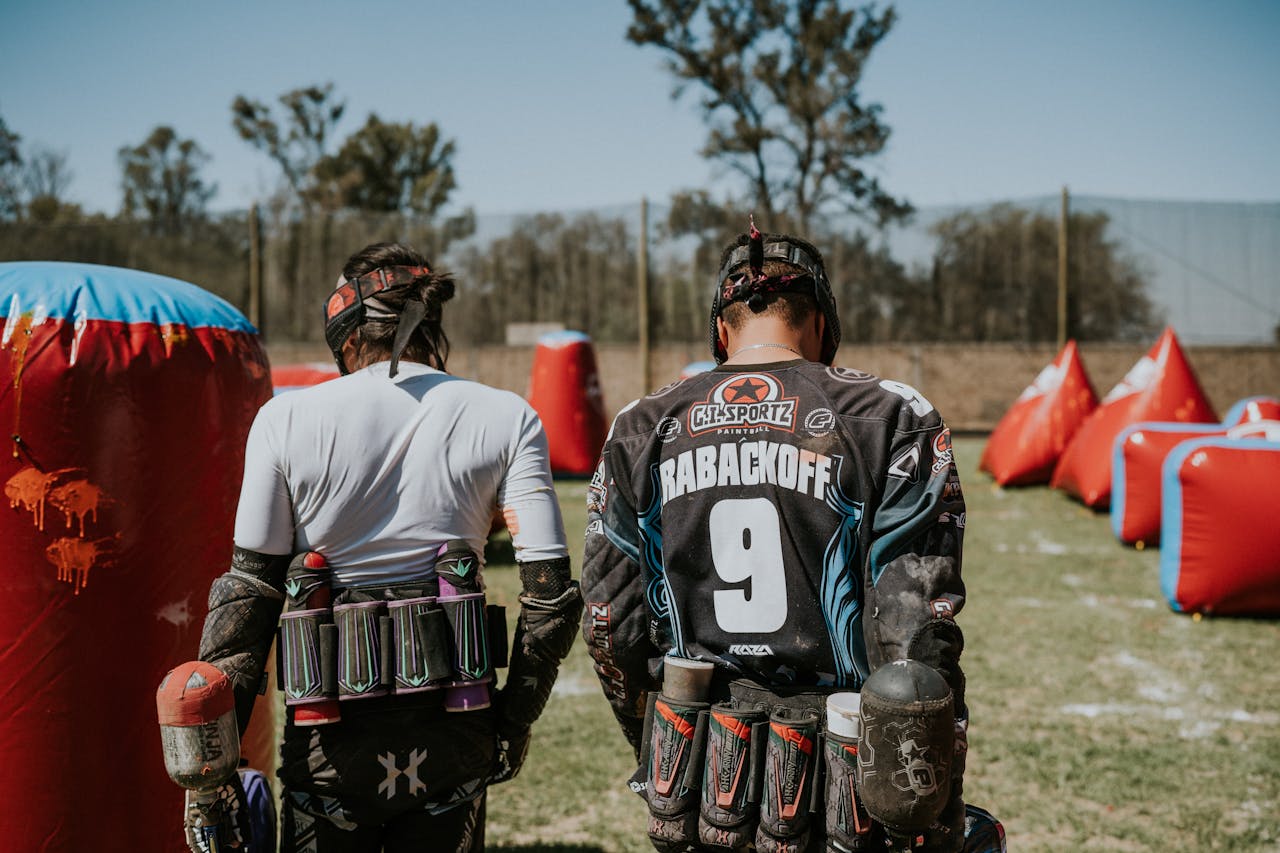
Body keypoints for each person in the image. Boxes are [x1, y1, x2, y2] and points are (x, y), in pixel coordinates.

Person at [581, 225, 992, 852]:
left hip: (699, 785)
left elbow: (610, 622)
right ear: (822, 321)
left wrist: (661, 748)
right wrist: (932, 801)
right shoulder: (893, 415)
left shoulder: (640, 425)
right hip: (846, 791)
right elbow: (916, 637)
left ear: (721, 330)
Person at [192, 242, 582, 852]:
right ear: (431, 325)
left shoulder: (283, 421)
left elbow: (247, 599)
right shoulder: (508, 417)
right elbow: (551, 601)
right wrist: (513, 723)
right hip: (458, 726)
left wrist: (210, 769)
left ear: (346, 339)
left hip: (329, 744)